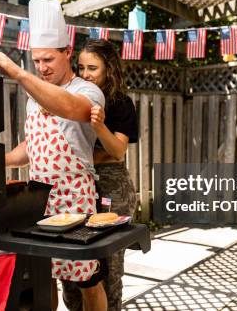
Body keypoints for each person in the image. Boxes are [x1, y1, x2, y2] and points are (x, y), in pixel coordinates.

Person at [0, 0, 107, 311]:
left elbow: (69, 108)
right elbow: (33, 146)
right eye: (36, 61)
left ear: (68, 52)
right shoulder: (33, 96)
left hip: (76, 198)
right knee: (44, 276)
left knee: (87, 278)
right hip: (40, 200)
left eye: (49, 60)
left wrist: (16, 72)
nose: (41, 68)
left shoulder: (88, 91)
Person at [62, 39, 139, 311]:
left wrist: (99, 126)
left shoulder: (120, 103)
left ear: (110, 69)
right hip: (76, 187)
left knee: (107, 268)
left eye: (93, 68)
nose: (85, 74)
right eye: (81, 67)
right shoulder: (71, 98)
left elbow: (117, 151)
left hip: (111, 190)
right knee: (73, 267)